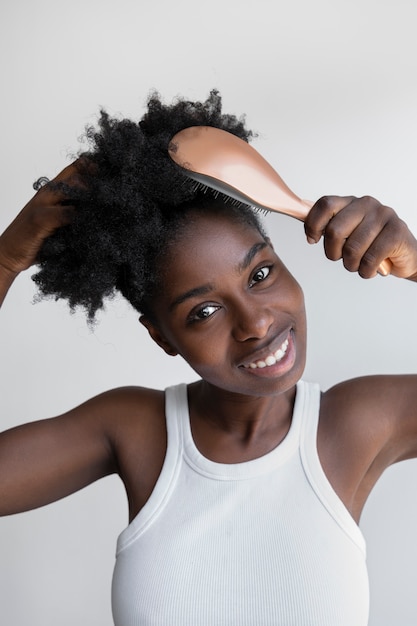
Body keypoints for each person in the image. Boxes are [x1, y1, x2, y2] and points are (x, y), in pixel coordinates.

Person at [1, 90, 417, 626]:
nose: (256, 323)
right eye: (203, 311)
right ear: (162, 336)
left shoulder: (359, 422)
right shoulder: (133, 430)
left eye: (260, 274)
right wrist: (8, 255)